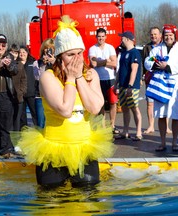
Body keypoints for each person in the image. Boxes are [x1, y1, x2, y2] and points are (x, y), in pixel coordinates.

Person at [13, 15, 114, 188]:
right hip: (54, 148)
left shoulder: (91, 75)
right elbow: (65, 110)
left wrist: (79, 77)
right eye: (70, 55)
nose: (77, 59)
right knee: (51, 201)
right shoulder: (48, 77)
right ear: (60, 56)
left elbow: (95, 107)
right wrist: (70, 79)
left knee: (89, 199)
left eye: (79, 53)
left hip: (84, 147)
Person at [144, 24, 178, 152]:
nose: (168, 37)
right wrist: (156, 65)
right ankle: (163, 142)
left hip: (175, 86)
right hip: (160, 85)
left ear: (175, 36)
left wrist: (167, 67)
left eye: (171, 35)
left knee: (175, 114)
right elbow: (148, 61)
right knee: (161, 114)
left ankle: (174, 142)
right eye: (166, 35)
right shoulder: (157, 49)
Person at [89, 28, 119, 135]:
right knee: (100, 104)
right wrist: (108, 61)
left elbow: (115, 63)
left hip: (110, 79)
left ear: (106, 37)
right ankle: (101, 126)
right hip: (98, 79)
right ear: (96, 37)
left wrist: (101, 61)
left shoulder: (110, 48)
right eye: (99, 36)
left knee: (112, 103)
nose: (101, 38)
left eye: (103, 36)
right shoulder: (92, 49)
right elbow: (93, 64)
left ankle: (112, 125)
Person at [142, 27, 172, 134]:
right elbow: (145, 62)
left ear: (160, 35)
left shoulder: (167, 46)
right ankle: (151, 126)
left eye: (155, 34)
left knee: (165, 101)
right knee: (150, 103)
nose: (153, 36)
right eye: (151, 34)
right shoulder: (147, 47)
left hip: (164, 79)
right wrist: (142, 75)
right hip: (151, 78)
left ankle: (166, 126)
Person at [115, 31, 143, 141]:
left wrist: (130, 86)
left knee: (134, 108)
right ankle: (125, 131)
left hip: (131, 87)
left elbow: (134, 70)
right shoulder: (123, 53)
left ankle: (138, 132)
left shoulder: (134, 53)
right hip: (122, 85)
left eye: (122, 38)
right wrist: (116, 83)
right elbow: (120, 70)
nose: (121, 40)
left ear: (127, 39)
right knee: (125, 108)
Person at [33, 38, 56, 128]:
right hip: (41, 96)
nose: (47, 51)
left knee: (54, 123)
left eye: (50, 49)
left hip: (55, 96)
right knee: (41, 123)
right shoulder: (37, 63)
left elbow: (61, 74)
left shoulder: (58, 62)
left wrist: (53, 62)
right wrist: (43, 64)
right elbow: (38, 78)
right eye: (46, 49)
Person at [9, 44, 27, 132]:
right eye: (12, 52)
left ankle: (16, 141)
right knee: (8, 120)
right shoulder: (6, 63)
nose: (14, 55)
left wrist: (21, 92)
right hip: (8, 96)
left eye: (16, 53)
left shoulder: (20, 64)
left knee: (17, 120)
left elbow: (24, 79)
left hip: (18, 96)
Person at [19, 46, 37, 128]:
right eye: (20, 52)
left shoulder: (33, 63)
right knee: (22, 116)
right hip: (20, 94)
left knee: (35, 113)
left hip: (31, 93)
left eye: (24, 52)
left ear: (27, 53)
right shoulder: (16, 64)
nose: (22, 54)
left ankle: (38, 129)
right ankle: (24, 132)